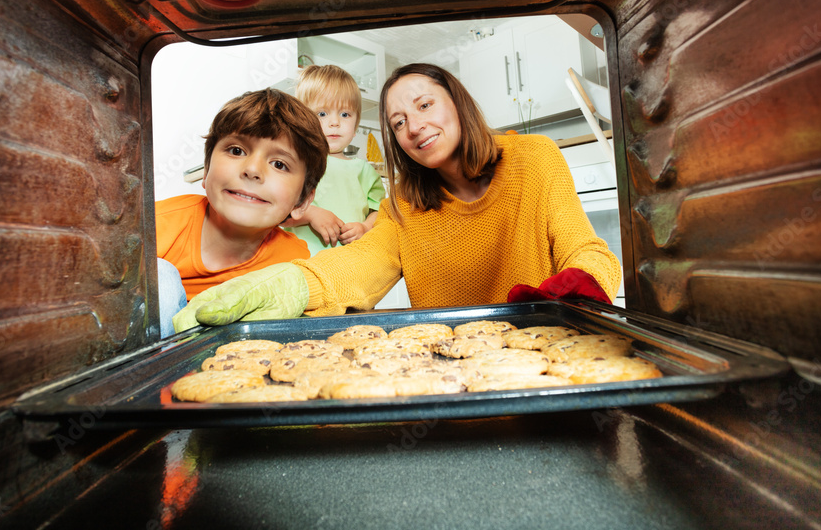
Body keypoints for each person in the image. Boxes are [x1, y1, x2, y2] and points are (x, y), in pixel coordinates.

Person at [172, 63, 621, 330]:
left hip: (543, 351)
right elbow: (361, 264)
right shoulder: (405, 202)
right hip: (449, 368)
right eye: (398, 122)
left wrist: (578, 287)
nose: (414, 126)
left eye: (425, 105)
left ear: (457, 101)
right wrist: (292, 285)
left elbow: (584, 247)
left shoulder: (535, 157)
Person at [155, 88, 329, 337]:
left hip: (223, 367)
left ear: (302, 201)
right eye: (237, 151)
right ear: (205, 171)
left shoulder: (291, 261)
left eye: (279, 164)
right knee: (161, 277)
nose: (252, 169)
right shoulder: (154, 227)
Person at [282, 64, 386, 255]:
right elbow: (275, 212)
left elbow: (379, 214)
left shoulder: (364, 171)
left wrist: (365, 228)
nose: (335, 122)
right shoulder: (294, 164)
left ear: (355, 126)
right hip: (301, 262)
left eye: (345, 114)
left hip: (349, 263)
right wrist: (311, 214)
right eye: (322, 114)